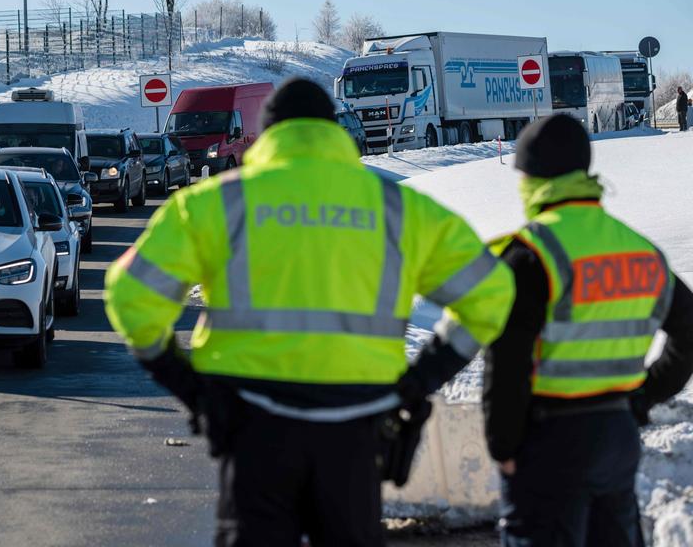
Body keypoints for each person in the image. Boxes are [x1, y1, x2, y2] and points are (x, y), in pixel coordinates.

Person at [105, 77, 516, 546]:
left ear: (267, 133)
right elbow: (492, 292)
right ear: (333, 131)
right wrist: (420, 381)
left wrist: (190, 388)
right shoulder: (397, 208)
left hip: (253, 427)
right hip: (358, 430)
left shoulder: (220, 202)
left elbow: (129, 294)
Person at [483, 114, 693, 547]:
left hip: (549, 442)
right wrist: (642, 397)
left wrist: (503, 446)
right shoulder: (641, 251)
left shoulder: (532, 253)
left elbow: (507, 359)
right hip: (617, 436)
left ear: (531, 178)